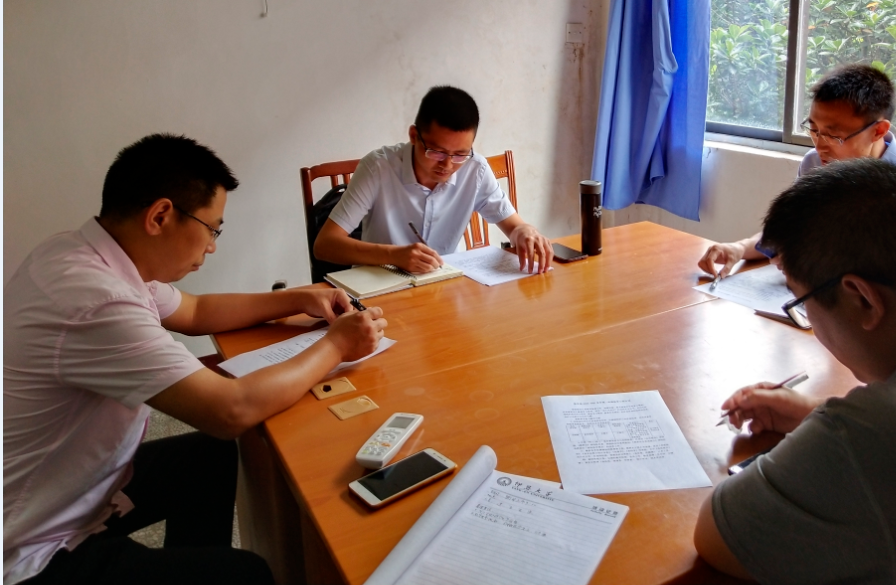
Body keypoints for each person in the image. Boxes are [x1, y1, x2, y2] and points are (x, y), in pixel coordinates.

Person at [3, 134, 388, 585]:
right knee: (244, 575)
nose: (211, 246)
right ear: (160, 216)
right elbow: (230, 410)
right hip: (29, 547)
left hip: (69, 484)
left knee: (207, 457)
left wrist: (299, 298)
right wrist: (336, 346)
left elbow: (195, 311)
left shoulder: (84, 254)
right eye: (212, 229)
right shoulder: (97, 300)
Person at [692, 159, 896, 583]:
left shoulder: (875, 429)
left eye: (802, 303)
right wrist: (813, 412)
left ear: (863, 300)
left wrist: (832, 424)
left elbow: (719, 534)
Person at [698, 63, 896, 278]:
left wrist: (811, 261)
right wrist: (739, 248)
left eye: (834, 136)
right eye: (813, 130)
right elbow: (791, 230)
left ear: (878, 130)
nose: (820, 146)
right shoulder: (815, 164)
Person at [313, 85, 554, 275]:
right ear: (414, 136)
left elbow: (515, 227)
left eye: (459, 154)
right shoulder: (378, 168)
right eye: (437, 152)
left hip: (444, 283)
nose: (447, 165)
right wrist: (394, 255)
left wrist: (525, 232)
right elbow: (325, 245)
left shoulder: (475, 169)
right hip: (381, 286)